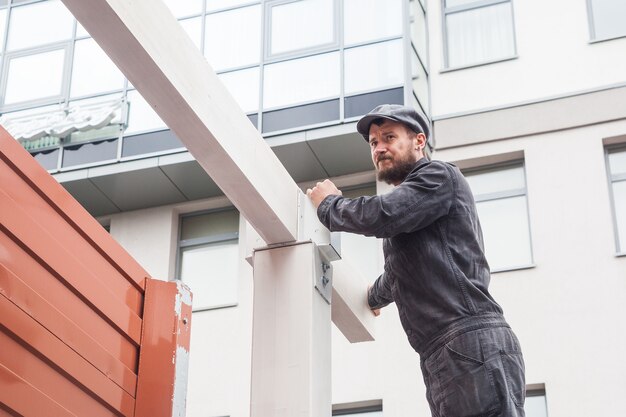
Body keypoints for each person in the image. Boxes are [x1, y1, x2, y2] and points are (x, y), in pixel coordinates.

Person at [306, 104, 526, 417]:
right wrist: (373, 296)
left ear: (419, 141)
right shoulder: (417, 204)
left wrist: (329, 206)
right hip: (446, 353)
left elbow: (385, 215)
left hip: (468, 343)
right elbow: (402, 269)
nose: (379, 148)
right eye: (373, 143)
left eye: (389, 137)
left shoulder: (437, 177)